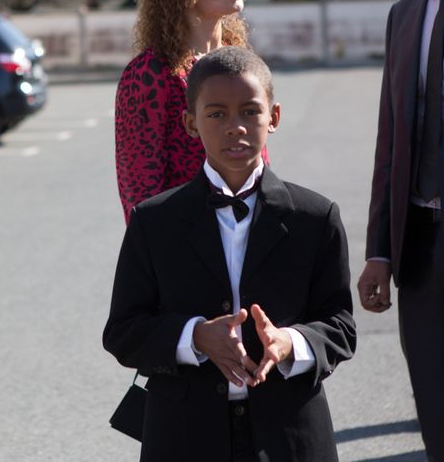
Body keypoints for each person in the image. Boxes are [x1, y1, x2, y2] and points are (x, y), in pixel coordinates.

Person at [103, 46, 356, 461]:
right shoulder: (154, 221)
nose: (234, 127)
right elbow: (123, 331)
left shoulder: (315, 217)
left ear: (273, 117)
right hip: (184, 435)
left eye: (249, 112)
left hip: (289, 436)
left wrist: (291, 342)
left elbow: (340, 326)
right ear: (190, 122)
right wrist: (195, 336)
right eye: (216, 114)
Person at [357, 0, 444, 459]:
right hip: (420, 241)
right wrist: (379, 251)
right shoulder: (405, 13)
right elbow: (390, 136)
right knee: (433, 398)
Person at [115, 0, 269, 224]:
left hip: (251, 233)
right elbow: (140, 189)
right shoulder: (151, 72)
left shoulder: (241, 63)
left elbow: (260, 162)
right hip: (188, 243)